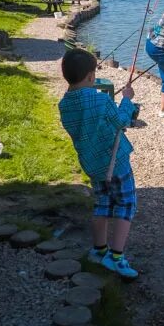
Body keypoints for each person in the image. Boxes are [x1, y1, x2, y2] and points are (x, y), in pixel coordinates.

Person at [58, 48, 139, 279]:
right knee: (126, 204)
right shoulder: (101, 99)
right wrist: (127, 100)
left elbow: (90, 123)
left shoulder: (64, 104)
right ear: (91, 77)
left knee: (103, 203)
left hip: (92, 164)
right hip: (116, 162)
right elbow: (122, 121)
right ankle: (115, 258)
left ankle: (98, 250)